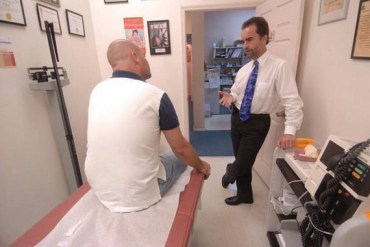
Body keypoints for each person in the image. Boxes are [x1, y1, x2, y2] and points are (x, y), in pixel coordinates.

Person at [84, 39, 211, 213]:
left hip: (99, 186)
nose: (147, 61)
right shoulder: (155, 95)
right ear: (135, 56)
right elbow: (180, 148)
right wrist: (202, 166)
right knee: (182, 157)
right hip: (139, 193)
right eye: (144, 56)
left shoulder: (97, 91)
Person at [219, 17, 303, 206]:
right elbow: (237, 91)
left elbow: (292, 100)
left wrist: (290, 131)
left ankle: (229, 173)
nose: (245, 46)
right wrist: (231, 96)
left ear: (264, 38)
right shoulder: (244, 69)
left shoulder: (280, 67)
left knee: (241, 162)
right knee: (244, 162)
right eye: (243, 41)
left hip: (257, 124)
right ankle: (244, 195)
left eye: (249, 40)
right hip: (237, 118)